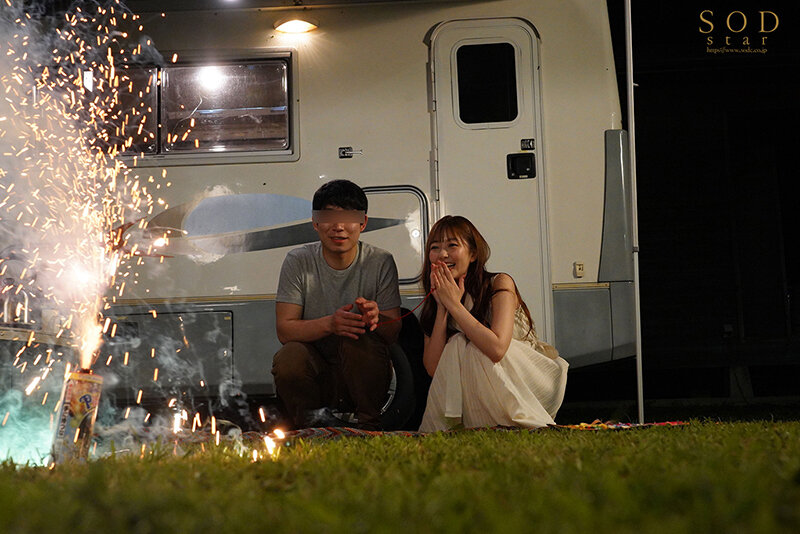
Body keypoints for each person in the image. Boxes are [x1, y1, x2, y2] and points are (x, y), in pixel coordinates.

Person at [418, 215, 568, 432]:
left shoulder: (499, 282)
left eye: (452, 245)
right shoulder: (436, 297)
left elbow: (496, 349)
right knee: (457, 343)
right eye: (435, 247)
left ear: (473, 254)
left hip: (525, 377)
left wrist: (455, 306)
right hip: (479, 384)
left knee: (472, 346)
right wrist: (443, 306)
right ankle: (471, 426)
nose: (442, 254)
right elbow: (434, 368)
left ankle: (510, 424)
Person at [272, 179, 402, 430]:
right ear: (315, 222)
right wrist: (331, 324)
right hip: (316, 371)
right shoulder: (298, 260)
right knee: (290, 357)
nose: (339, 227)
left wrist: (376, 320)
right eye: (329, 217)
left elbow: (393, 332)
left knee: (358, 337)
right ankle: (310, 431)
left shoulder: (380, 261)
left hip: (364, 373)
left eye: (349, 217)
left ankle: (370, 427)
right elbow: (285, 330)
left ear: (363, 223)